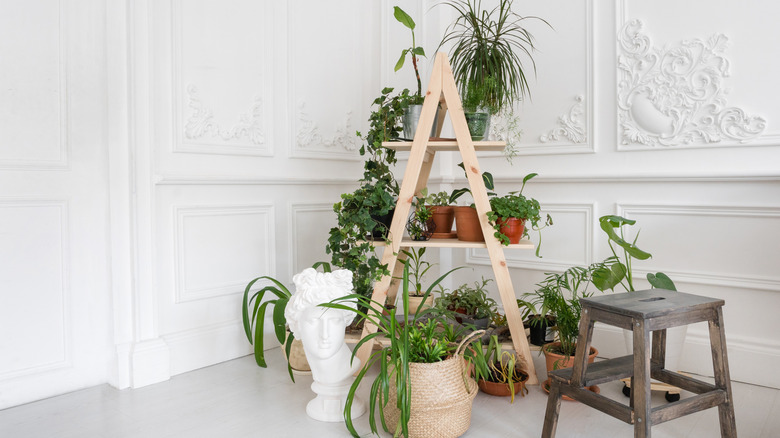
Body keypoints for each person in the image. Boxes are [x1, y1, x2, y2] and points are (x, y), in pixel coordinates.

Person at [285, 267, 366, 422]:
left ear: (345, 322)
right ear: (297, 324)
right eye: (313, 322)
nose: (325, 334)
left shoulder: (350, 366)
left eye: (334, 321)